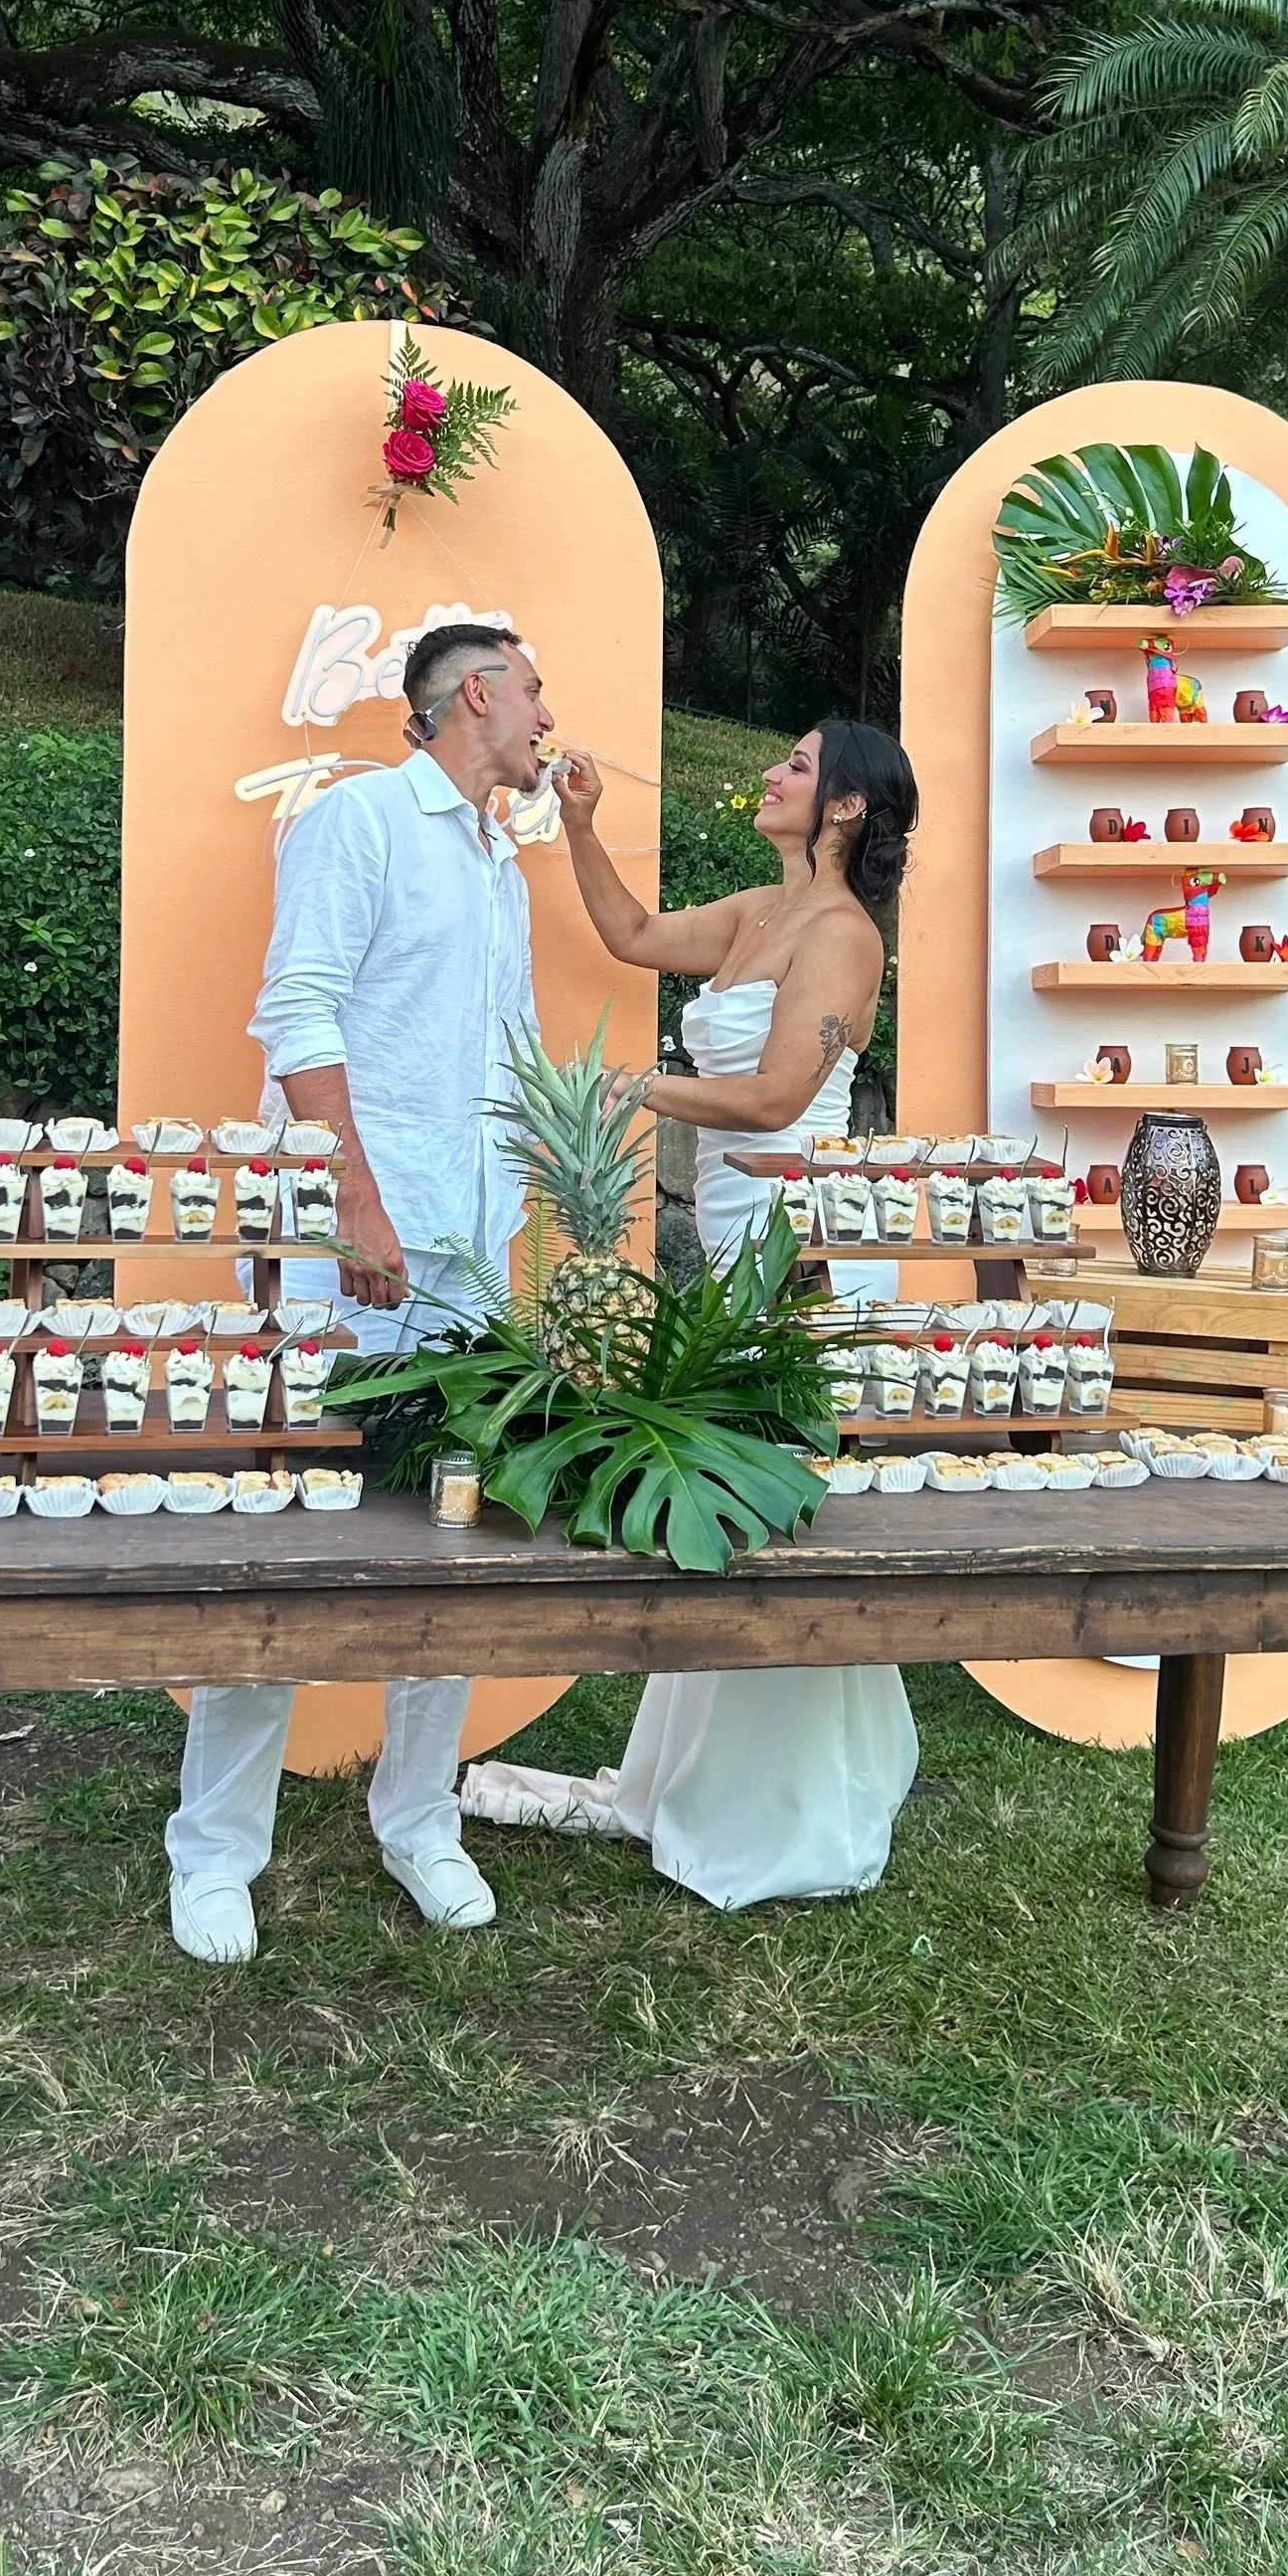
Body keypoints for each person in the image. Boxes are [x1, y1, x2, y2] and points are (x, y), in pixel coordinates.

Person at [461, 720, 923, 1909]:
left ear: (845, 810)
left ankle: (776, 1807)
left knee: (772, 1503)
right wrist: (576, 821)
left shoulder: (841, 937)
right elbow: (628, 936)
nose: (770, 773)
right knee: (732, 1496)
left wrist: (630, 1085)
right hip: (729, 1245)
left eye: (797, 765)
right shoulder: (754, 913)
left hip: (797, 1252)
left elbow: (776, 1097)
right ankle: (701, 1774)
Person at [164, 619, 555, 1962]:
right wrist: (356, 1203)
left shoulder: (500, 858)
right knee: (284, 1531)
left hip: (468, 1248)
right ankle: (216, 1848)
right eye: (535, 687)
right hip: (355, 1244)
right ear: (479, 694)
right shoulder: (360, 820)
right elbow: (301, 1014)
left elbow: (507, 1050)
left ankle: (419, 1820)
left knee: (454, 1535)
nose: (549, 713)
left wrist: (524, 1208)